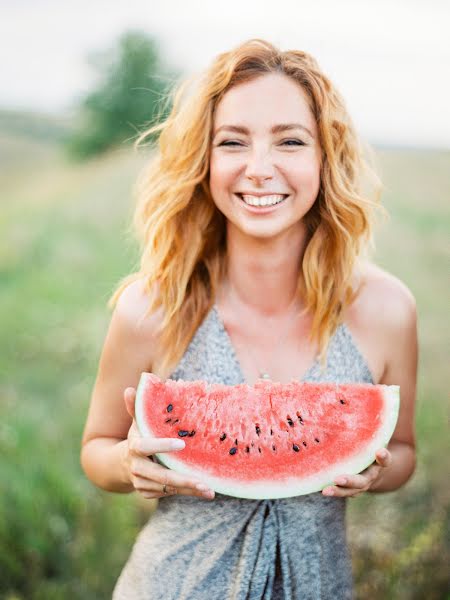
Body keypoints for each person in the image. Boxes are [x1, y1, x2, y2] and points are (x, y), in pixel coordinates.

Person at [80, 38, 418, 599]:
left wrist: (377, 469)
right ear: (204, 161)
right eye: (233, 142)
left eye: (290, 141)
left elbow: (403, 452)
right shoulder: (152, 307)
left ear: (324, 157)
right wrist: (127, 465)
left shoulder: (385, 310)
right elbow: (97, 449)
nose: (259, 169)